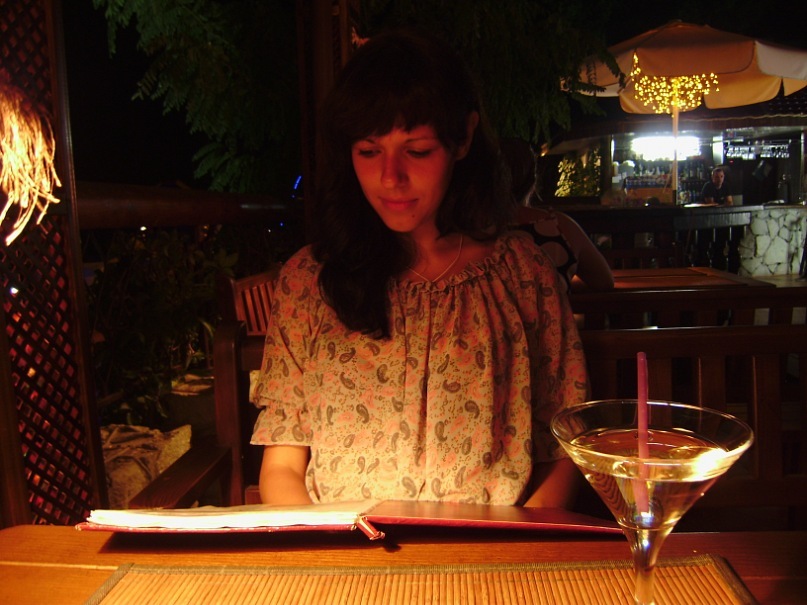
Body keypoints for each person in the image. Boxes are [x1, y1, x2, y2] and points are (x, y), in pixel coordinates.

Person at [250, 30, 587, 509]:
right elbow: (283, 464)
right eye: (369, 151)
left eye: (418, 150)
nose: (391, 177)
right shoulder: (310, 281)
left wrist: (515, 545)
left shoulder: (521, 274)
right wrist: (323, 547)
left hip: (490, 549)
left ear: (463, 137)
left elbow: (564, 449)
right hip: (343, 548)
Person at [500, 138, 614, 292]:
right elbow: (604, 281)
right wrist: (557, 283)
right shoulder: (559, 226)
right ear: (532, 180)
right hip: (551, 307)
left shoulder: (473, 230)